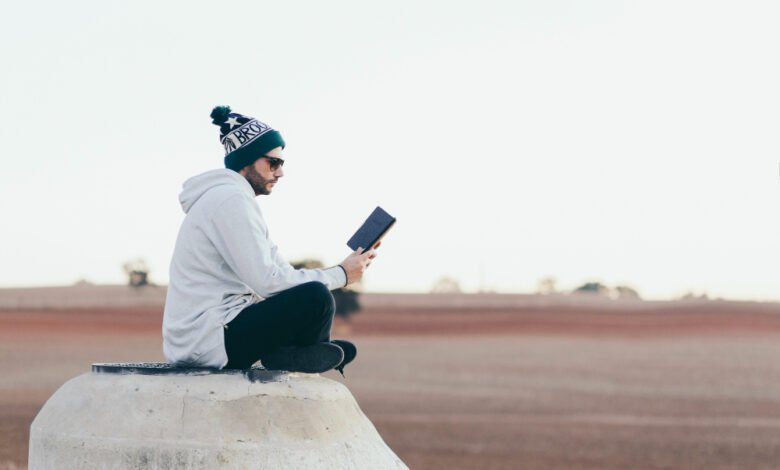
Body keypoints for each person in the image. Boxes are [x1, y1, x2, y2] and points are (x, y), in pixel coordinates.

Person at [162, 105, 376, 375]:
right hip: (210, 340)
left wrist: (341, 270)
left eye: (282, 163)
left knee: (311, 296)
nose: (280, 172)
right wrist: (341, 275)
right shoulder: (231, 201)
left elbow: (280, 274)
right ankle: (301, 352)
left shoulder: (233, 200)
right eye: (272, 162)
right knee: (316, 297)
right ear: (247, 160)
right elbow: (268, 282)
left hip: (210, 334)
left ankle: (298, 352)